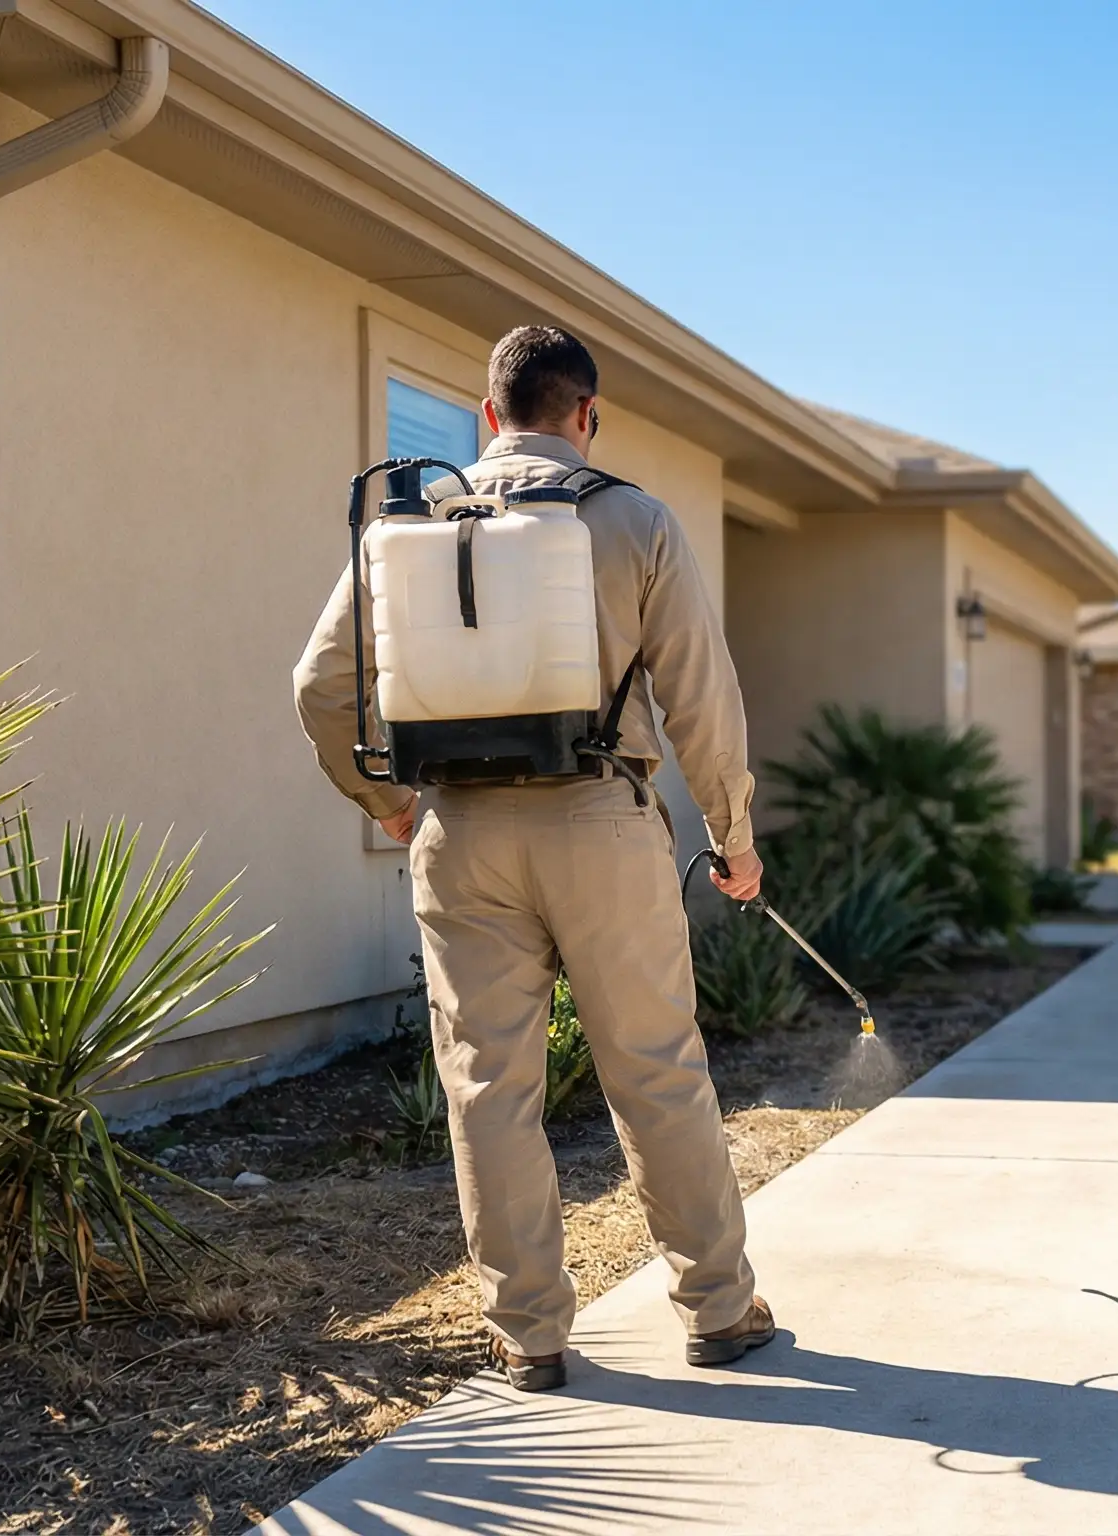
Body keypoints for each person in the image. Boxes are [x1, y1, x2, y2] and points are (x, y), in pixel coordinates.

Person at [293, 325, 776, 1390]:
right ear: (585, 417)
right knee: (655, 1073)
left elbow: (319, 687)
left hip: (459, 835)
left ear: (486, 415)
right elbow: (702, 699)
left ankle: (529, 1336)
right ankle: (719, 1311)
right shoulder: (635, 519)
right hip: (601, 820)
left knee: (486, 1090)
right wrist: (733, 841)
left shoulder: (407, 523)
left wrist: (387, 803)